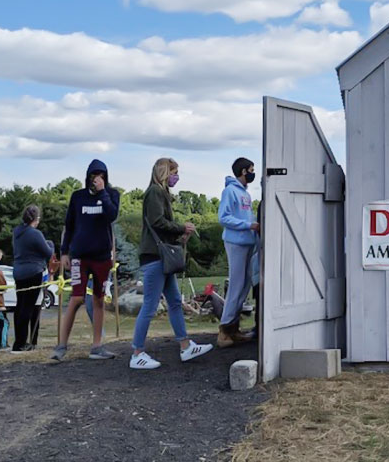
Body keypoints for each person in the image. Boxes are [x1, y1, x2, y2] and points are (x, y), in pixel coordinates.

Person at [130, 157, 213, 370]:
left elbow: (159, 227)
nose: (177, 177)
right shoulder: (155, 193)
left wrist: (179, 237)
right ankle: (137, 352)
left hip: (160, 256)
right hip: (155, 257)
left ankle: (185, 345)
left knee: (175, 301)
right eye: (175, 172)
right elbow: (158, 222)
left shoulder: (159, 193)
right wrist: (181, 228)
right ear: (165, 172)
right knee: (150, 305)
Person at [51, 159, 120, 362]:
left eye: (101, 176)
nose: (96, 179)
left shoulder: (111, 195)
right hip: (79, 256)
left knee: (99, 299)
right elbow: (69, 224)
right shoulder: (78, 197)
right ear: (87, 177)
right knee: (76, 298)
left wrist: (102, 193)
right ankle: (61, 345)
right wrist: (64, 252)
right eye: (93, 175)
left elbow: (112, 215)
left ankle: (97, 346)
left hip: (102, 257)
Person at [217, 157, 259, 347]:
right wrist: (248, 225)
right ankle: (225, 330)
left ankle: (233, 328)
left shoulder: (245, 194)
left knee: (244, 286)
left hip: (248, 241)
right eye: (251, 169)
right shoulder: (230, 191)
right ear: (243, 171)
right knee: (236, 285)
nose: (252, 172)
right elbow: (224, 217)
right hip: (236, 242)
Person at [11, 204, 54, 352]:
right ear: (37, 219)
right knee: (28, 308)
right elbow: (48, 253)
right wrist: (51, 245)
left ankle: (18, 341)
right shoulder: (35, 234)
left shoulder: (17, 232)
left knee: (20, 306)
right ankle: (22, 343)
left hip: (18, 272)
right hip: (33, 271)